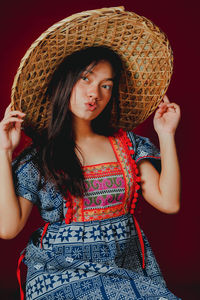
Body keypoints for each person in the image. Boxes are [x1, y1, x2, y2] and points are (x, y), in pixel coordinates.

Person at [0, 8, 181, 300]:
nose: (94, 93)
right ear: (64, 81)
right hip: (59, 272)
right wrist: (3, 151)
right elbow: (7, 228)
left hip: (124, 269)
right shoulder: (39, 157)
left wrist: (166, 134)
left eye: (105, 85)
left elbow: (169, 202)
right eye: (85, 79)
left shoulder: (128, 145)